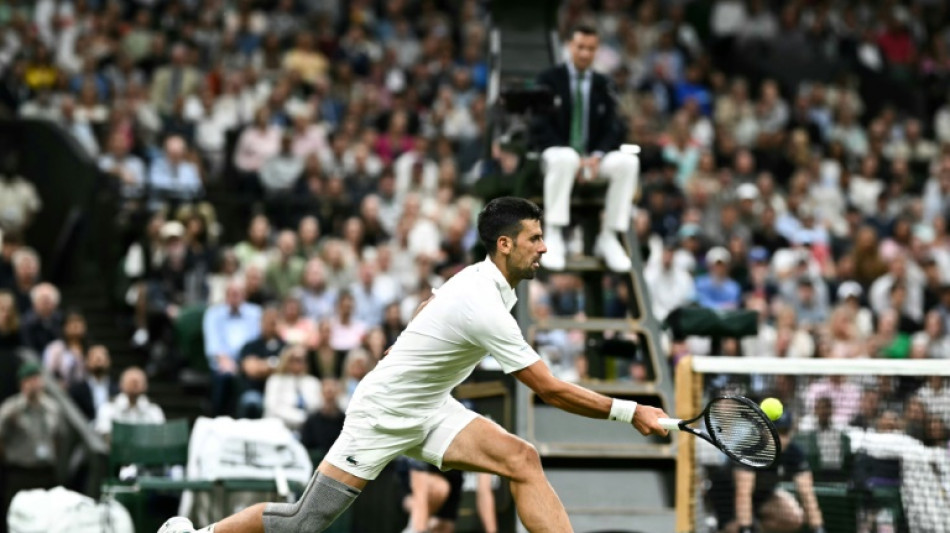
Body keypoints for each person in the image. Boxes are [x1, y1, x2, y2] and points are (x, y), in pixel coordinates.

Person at [159, 197, 669, 533]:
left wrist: (403, 345)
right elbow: (549, 389)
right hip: (381, 413)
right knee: (303, 522)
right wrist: (632, 412)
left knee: (522, 458)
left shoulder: (481, 280)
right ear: (505, 244)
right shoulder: (484, 304)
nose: (544, 247)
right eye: (535, 238)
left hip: (430, 407)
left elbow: (430, 302)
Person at [532, 24, 640, 273]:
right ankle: (554, 232)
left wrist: (597, 156)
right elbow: (538, 124)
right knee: (566, 158)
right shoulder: (548, 79)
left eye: (591, 49)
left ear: (596, 50)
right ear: (570, 46)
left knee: (628, 162)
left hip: (592, 160)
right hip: (555, 157)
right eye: (580, 47)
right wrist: (574, 157)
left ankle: (609, 236)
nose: (584, 53)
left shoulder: (604, 84)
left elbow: (614, 127)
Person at [717, 412, 826, 533]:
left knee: (793, 518)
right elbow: (743, 494)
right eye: (775, 432)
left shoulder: (794, 453)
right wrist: (745, 529)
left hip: (763, 497)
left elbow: (807, 494)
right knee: (735, 528)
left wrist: (818, 528)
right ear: (763, 431)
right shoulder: (748, 450)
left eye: (784, 432)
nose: (780, 438)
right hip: (728, 500)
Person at [0, 362, 62, 519]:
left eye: (37, 379)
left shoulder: (52, 407)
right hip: (21, 473)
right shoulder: (11, 408)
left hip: (45, 472)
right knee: (19, 518)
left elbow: (57, 437)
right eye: (30, 379)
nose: (35, 383)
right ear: (23, 383)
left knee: (46, 518)